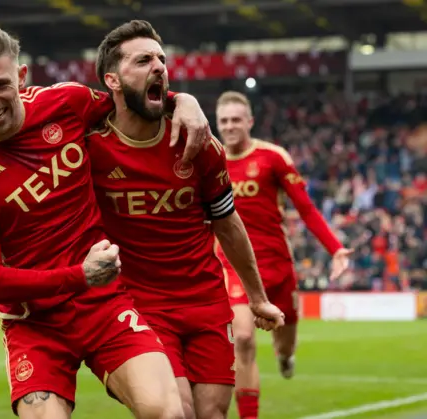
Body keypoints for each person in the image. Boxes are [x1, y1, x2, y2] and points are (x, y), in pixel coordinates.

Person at [0, 25, 210, 419]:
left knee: (170, 413)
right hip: (34, 324)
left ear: (21, 76)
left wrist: (182, 100)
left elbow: (129, 102)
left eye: (0, 84)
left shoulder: (65, 102)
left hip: (103, 305)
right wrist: (80, 275)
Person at [85, 20, 284, 419]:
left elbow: (228, 224)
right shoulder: (90, 146)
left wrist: (257, 297)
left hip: (206, 302)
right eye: (143, 60)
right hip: (140, 306)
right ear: (113, 80)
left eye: (161, 59)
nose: (159, 66)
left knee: (211, 415)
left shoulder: (199, 143)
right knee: (177, 413)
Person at [213, 91, 353, 419]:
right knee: (243, 338)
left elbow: (304, 207)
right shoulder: (209, 159)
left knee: (285, 343)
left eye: (236, 119)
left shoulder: (273, 157)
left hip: (277, 266)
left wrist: (335, 248)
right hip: (233, 266)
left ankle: (286, 356)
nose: (230, 126)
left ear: (250, 121)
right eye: (224, 121)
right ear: (217, 124)